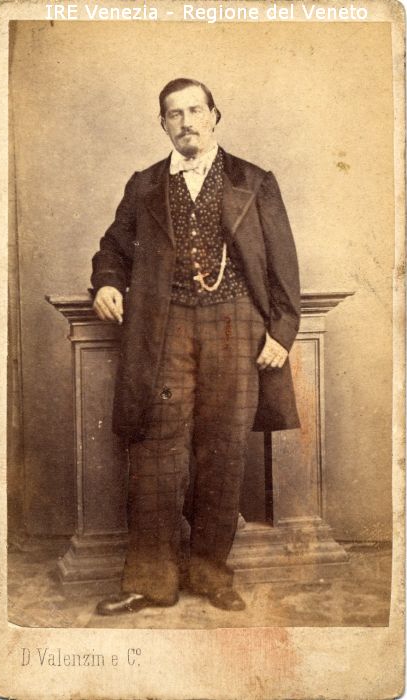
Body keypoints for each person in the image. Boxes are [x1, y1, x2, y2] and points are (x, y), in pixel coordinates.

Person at [91, 78, 300, 615]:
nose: (186, 122)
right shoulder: (144, 184)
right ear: (163, 123)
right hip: (165, 327)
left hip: (237, 326)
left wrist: (281, 333)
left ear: (214, 116)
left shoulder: (253, 180)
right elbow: (113, 248)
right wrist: (108, 282)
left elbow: (283, 265)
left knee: (223, 451)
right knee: (156, 452)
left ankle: (211, 574)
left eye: (195, 110)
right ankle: (151, 582)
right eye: (174, 114)